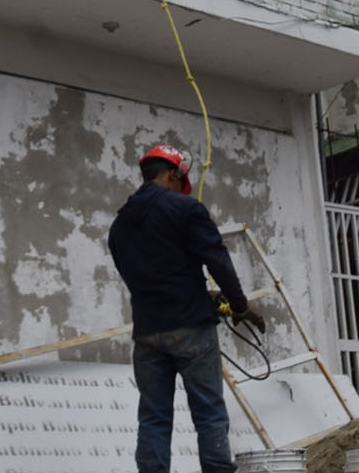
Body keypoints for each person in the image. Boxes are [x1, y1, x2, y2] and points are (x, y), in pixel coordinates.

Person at [108, 143, 264, 473]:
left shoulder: (119, 225)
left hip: (148, 332)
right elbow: (217, 259)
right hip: (191, 328)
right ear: (172, 175)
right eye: (181, 182)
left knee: (153, 417)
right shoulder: (185, 209)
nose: (182, 190)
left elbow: (145, 276)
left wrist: (197, 291)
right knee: (208, 412)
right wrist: (239, 305)